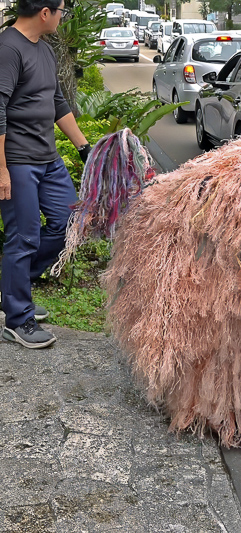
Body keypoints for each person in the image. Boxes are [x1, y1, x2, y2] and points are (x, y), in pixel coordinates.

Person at [0, 0, 92, 349]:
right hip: (18, 160)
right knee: (23, 237)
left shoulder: (45, 49)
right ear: (44, 12)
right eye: (61, 11)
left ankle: (13, 288)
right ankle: (17, 320)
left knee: (69, 222)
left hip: (48, 158)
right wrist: (2, 170)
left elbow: (56, 102)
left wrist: (85, 149)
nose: (62, 17)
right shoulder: (8, 49)